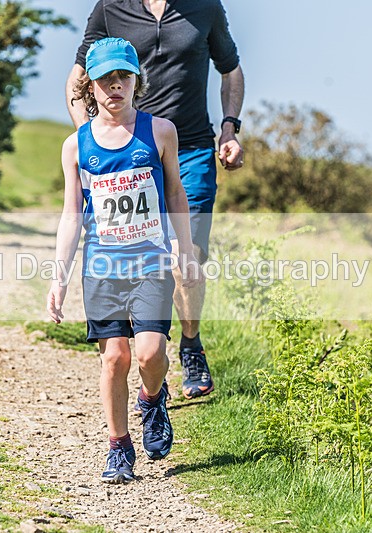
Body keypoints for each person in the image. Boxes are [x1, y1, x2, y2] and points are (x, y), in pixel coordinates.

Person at [66, 0, 244, 400]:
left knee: (189, 251)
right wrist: (92, 140)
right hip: (130, 156)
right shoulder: (111, 7)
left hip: (192, 148)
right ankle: (149, 353)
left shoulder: (204, 6)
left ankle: (191, 344)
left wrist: (230, 129)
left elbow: (230, 69)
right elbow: (77, 77)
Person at [47, 37, 202, 483]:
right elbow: (71, 216)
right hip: (102, 269)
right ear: (90, 88)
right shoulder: (76, 146)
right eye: (105, 79)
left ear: (137, 81)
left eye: (124, 77)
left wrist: (185, 248)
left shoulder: (161, 132)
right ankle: (118, 447)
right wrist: (58, 279)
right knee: (114, 358)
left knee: (151, 353)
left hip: (151, 263)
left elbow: (175, 191)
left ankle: (153, 398)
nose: (115, 86)